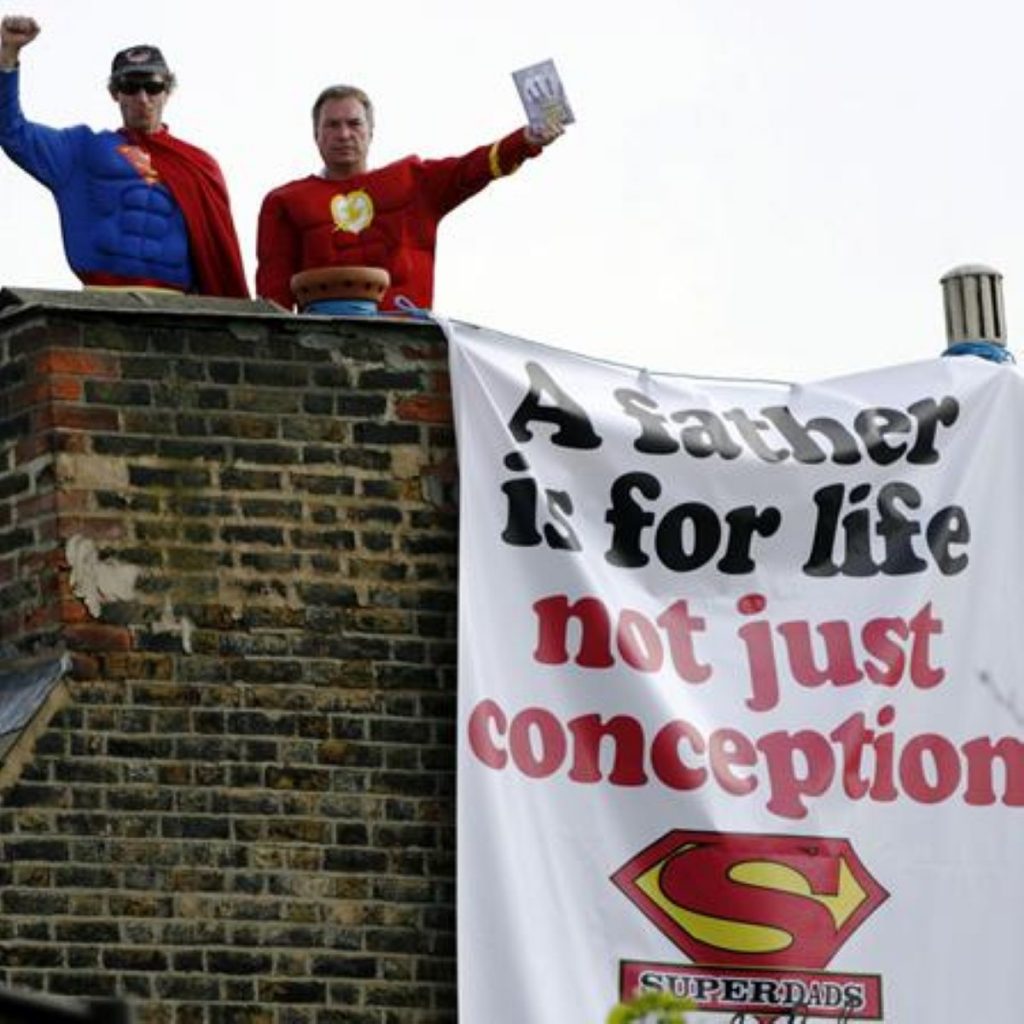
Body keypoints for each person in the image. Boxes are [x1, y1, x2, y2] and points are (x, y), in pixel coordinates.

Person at [256, 84, 564, 312]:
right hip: (320, 354)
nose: (344, 134)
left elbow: (470, 169)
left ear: (371, 131)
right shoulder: (286, 202)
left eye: (354, 124)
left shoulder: (412, 183)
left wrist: (524, 142)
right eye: (332, 125)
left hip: (404, 352)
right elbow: (273, 299)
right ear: (316, 134)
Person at [0, 15, 248, 297]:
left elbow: (217, 252)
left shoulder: (198, 165)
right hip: (100, 300)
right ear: (114, 93)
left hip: (178, 310)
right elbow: (12, 132)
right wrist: (8, 54)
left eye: (153, 86)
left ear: (167, 92)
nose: (142, 98)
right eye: (131, 86)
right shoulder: (82, 149)